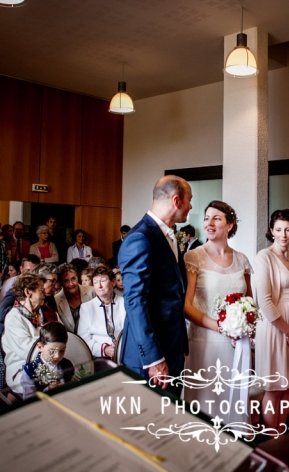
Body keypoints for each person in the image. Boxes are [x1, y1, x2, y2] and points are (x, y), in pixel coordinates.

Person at [118, 175, 191, 392]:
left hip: (172, 347)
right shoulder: (140, 238)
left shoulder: (167, 234)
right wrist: (154, 358)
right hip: (149, 358)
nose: (191, 206)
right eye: (189, 200)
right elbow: (134, 301)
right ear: (176, 201)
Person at [182, 201, 252, 423]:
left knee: (233, 402)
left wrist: (246, 324)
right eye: (206, 218)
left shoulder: (242, 260)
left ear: (229, 225)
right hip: (204, 343)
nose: (209, 223)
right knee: (205, 405)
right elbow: (186, 306)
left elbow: (250, 302)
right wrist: (221, 327)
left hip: (236, 345)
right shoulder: (194, 257)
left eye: (216, 218)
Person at [254, 209, 289, 432]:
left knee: (287, 387)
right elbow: (265, 301)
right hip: (276, 327)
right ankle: (271, 440)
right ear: (271, 231)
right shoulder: (264, 256)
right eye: (278, 230)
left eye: (288, 229)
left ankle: (281, 431)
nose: (283, 234)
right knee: (274, 387)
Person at [2, 273, 60, 394]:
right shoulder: (13, 318)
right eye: (41, 291)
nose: (44, 294)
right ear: (28, 292)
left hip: (51, 359)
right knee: (58, 384)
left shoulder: (44, 312)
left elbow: (61, 334)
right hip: (23, 367)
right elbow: (29, 351)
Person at [76, 265, 126, 359]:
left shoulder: (124, 303)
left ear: (113, 282)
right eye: (95, 282)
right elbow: (83, 339)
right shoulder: (86, 307)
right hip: (100, 357)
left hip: (125, 352)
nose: (99, 286)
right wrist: (104, 349)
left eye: (103, 281)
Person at [20, 322, 74, 399]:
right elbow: (29, 400)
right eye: (52, 351)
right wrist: (48, 390)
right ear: (39, 347)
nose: (57, 356)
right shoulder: (30, 371)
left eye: (62, 351)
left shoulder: (68, 364)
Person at [53, 263, 94, 332]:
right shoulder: (56, 300)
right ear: (60, 283)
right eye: (66, 281)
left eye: (73, 279)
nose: (71, 284)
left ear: (78, 277)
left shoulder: (92, 292)